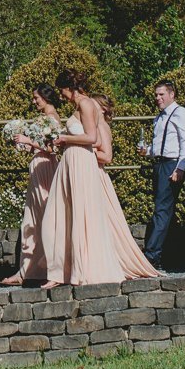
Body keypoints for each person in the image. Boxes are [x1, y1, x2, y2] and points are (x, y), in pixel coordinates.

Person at [40, 69, 161, 287]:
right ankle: (62, 271)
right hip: (71, 160)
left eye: (62, 91)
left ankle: (78, 270)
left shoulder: (87, 104)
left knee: (76, 214)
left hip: (80, 160)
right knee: (60, 215)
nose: (62, 95)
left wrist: (63, 138)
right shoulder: (80, 106)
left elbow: (92, 138)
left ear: (70, 88)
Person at [0, 84, 63, 286]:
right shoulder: (42, 118)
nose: (34, 101)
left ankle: (50, 269)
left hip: (46, 168)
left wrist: (30, 140)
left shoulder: (52, 118)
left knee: (45, 217)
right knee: (32, 218)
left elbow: (53, 148)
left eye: (36, 98)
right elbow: (39, 145)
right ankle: (28, 270)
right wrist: (24, 144)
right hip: (37, 166)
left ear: (46, 97)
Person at [138, 79, 185, 267]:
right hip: (160, 164)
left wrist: (180, 168)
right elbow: (160, 146)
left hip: (171, 166)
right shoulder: (159, 117)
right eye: (156, 95)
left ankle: (152, 255)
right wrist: (147, 151)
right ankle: (159, 254)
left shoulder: (181, 114)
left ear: (172, 94)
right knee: (161, 209)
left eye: (161, 94)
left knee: (162, 210)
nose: (158, 98)